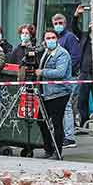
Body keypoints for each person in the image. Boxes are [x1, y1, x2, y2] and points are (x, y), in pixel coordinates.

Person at [36, 28, 72, 160]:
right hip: (46, 92)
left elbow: (60, 73)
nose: (50, 40)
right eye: (47, 38)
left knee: (57, 122)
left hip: (59, 92)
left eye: (52, 38)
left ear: (57, 39)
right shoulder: (46, 52)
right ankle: (48, 148)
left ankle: (57, 151)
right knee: (41, 120)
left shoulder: (62, 54)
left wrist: (42, 72)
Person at [71, 4, 93, 133]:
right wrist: (77, 15)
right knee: (82, 101)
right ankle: (84, 124)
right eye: (91, 24)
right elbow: (74, 28)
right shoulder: (84, 36)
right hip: (84, 73)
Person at [51, 12, 83, 148]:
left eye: (60, 23)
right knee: (61, 106)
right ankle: (63, 135)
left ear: (65, 24)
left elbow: (75, 57)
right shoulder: (55, 39)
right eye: (55, 23)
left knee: (67, 106)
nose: (58, 26)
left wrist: (66, 72)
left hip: (69, 77)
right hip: (59, 78)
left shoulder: (69, 37)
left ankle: (69, 137)